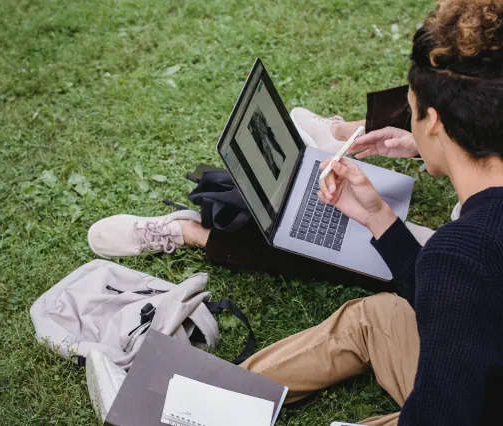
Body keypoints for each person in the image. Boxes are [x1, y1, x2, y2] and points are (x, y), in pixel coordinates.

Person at [87, 0, 503, 424]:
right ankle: (194, 401)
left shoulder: (462, 255)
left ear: (432, 122)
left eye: (411, 109)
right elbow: (463, 300)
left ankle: (178, 415)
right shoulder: (467, 255)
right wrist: (378, 219)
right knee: (376, 317)